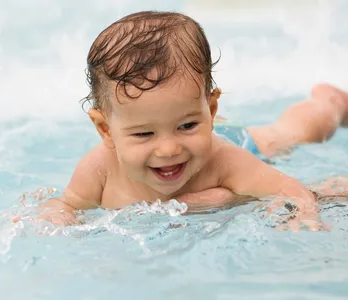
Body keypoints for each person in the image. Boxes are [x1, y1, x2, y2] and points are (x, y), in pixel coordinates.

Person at [36, 11, 348, 230]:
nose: (169, 149)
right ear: (106, 130)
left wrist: (302, 211)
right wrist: (55, 215)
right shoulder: (100, 168)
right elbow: (67, 204)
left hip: (239, 142)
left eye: (187, 125)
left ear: (210, 111)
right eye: (144, 133)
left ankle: (328, 103)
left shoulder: (224, 158)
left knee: (288, 135)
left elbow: (288, 188)